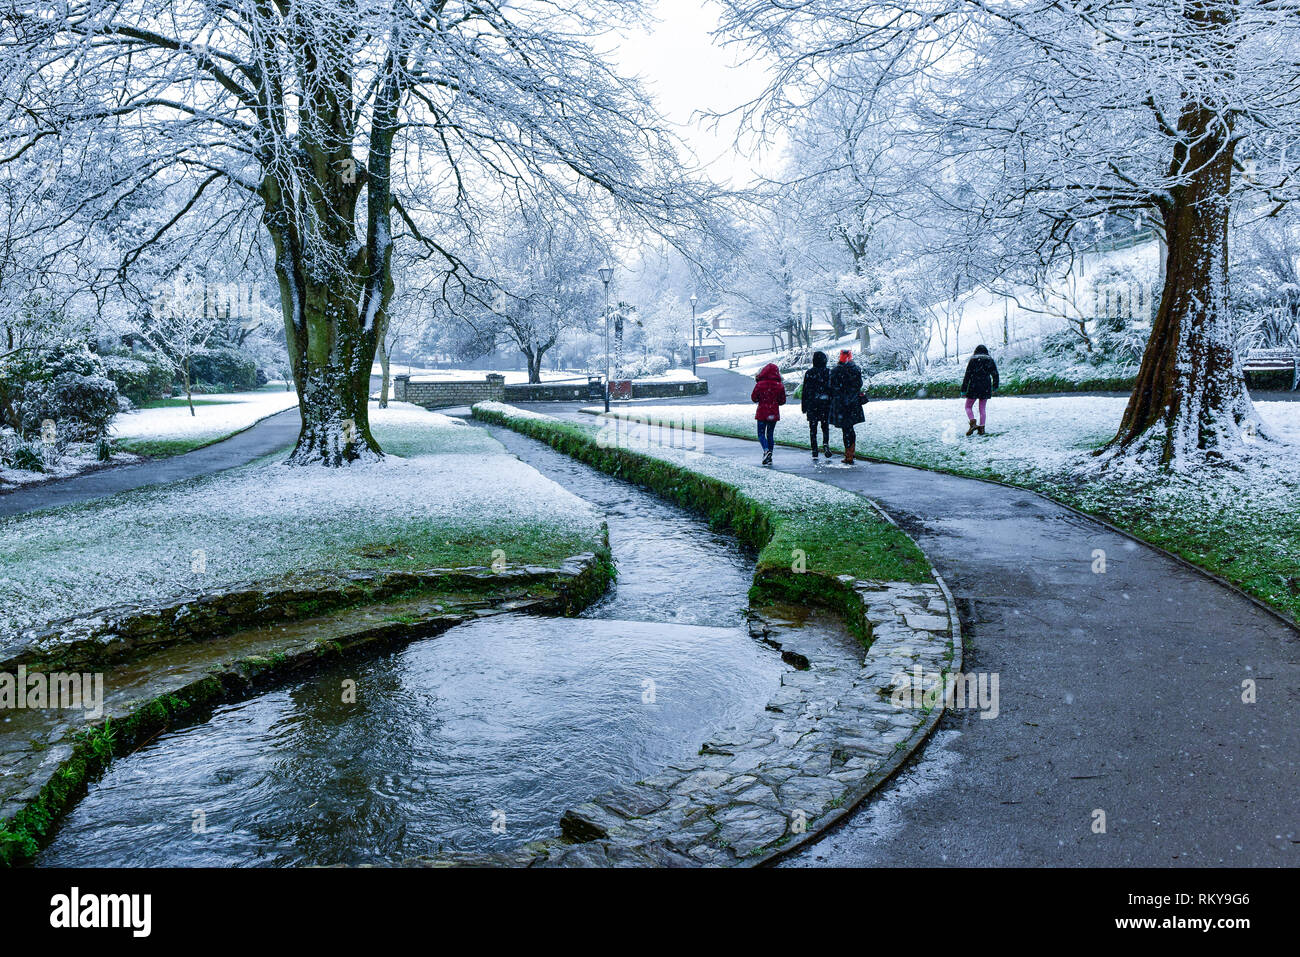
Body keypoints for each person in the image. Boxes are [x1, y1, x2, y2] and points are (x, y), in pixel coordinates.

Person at [828, 348, 866, 465]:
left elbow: (831, 387)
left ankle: (848, 454)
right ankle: (851, 452)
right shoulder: (856, 370)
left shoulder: (835, 371)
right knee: (850, 428)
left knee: (846, 429)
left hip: (841, 404)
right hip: (853, 403)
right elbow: (859, 384)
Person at [751, 362, 786, 466]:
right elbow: (782, 401)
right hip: (773, 413)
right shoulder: (779, 385)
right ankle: (769, 457)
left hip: (762, 412)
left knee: (761, 434)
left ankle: (766, 451)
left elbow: (754, 398)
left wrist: (761, 399)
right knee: (770, 434)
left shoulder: (760, 384)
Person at [800, 350, 833, 462]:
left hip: (812, 404)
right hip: (825, 404)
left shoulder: (809, 373)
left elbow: (805, 390)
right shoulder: (828, 372)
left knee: (813, 428)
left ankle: (814, 450)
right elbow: (831, 389)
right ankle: (825, 444)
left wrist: (804, 406)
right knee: (825, 426)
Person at [960, 344, 1000, 436]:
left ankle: (973, 423)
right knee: (982, 409)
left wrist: (964, 390)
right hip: (985, 386)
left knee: (968, 406)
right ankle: (981, 429)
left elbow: (967, 375)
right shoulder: (989, 360)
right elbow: (995, 374)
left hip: (974, 386)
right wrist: (995, 386)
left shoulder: (973, 360)